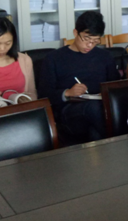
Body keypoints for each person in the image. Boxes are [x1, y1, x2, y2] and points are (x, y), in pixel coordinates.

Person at [39, 11, 119, 142]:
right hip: (69, 111)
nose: (90, 45)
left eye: (95, 41)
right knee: (94, 109)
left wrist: (105, 94)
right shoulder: (53, 58)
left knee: (95, 133)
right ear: (75, 32)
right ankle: (120, 142)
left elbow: (114, 86)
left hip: (100, 108)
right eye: (87, 39)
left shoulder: (105, 57)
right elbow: (44, 95)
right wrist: (67, 93)